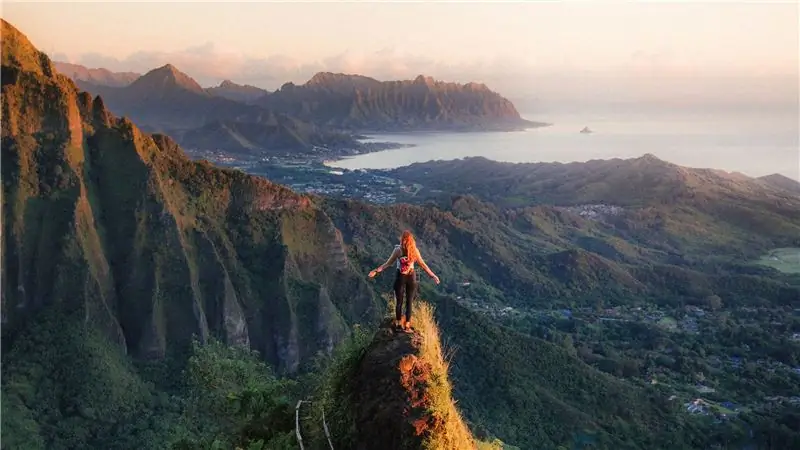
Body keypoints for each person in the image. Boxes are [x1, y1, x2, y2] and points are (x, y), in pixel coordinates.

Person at [369, 230, 440, 332]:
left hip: (403, 277)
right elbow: (423, 265)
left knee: (401, 301)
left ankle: (400, 324)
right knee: (407, 302)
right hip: (410, 277)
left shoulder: (400, 250)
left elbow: (388, 264)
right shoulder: (412, 250)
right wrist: (433, 276)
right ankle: (405, 325)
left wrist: (376, 271)